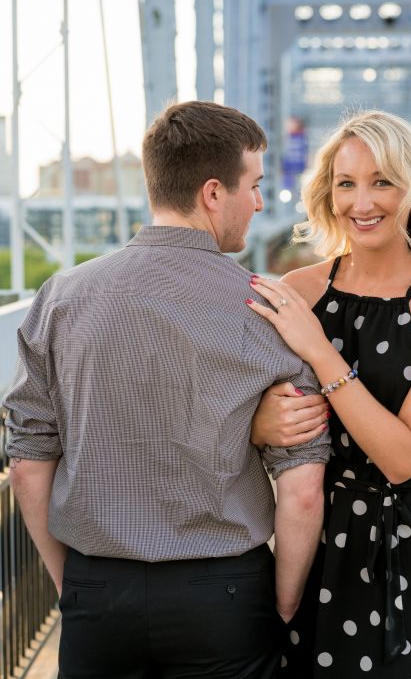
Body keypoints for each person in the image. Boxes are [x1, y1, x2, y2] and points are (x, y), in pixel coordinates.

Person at [3, 101, 331, 678]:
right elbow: (301, 491)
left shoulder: (61, 297)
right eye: (253, 185)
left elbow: (29, 465)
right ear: (212, 193)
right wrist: (278, 606)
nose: (260, 202)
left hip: (98, 591)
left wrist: (75, 585)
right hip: (225, 595)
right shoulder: (268, 308)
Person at [244, 110, 411, 676]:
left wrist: (320, 351)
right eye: (346, 183)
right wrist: (259, 425)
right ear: (327, 194)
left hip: (404, 540)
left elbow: (402, 459)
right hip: (307, 535)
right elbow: (227, 416)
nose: (362, 202)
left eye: (382, 182)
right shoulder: (296, 291)